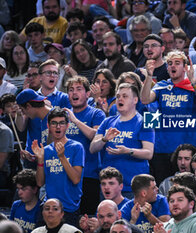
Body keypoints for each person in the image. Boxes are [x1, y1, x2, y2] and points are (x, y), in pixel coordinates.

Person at [140, 50, 196, 185]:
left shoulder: (192, 86)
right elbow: (145, 99)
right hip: (163, 149)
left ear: (185, 67)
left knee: (188, 187)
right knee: (164, 187)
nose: (172, 66)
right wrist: (149, 76)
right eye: (170, 64)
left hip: (188, 150)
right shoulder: (161, 86)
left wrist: (193, 80)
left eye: (177, 63)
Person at [90, 83, 154, 196]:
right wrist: (104, 139)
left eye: (125, 96)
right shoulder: (107, 121)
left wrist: (128, 151)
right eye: (118, 96)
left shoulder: (145, 121)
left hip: (134, 187)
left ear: (135, 100)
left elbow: (149, 153)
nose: (120, 99)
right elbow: (92, 148)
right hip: (109, 187)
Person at [32, 107, 84, 227]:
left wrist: (62, 157)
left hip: (69, 208)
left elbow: (76, 179)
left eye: (61, 123)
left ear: (67, 125)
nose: (58, 127)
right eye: (54, 123)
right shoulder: (45, 150)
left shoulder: (77, 147)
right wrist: (40, 160)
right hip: (49, 207)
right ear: (48, 126)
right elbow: (40, 183)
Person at [64, 75, 106, 215]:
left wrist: (75, 120)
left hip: (89, 175)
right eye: (71, 90)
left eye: (78, 89)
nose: (74, 93)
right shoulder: (64, 114)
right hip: (65, 175)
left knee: (87, 219)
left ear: (88, 94)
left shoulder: (96, 113)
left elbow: (95, 135)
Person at [15, 89, 51, 169]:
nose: (23, 113)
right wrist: (33, 157)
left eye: (22, 110)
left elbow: (56, 151)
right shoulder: (44, 119)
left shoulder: (56, 118)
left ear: (28, 106)